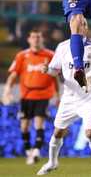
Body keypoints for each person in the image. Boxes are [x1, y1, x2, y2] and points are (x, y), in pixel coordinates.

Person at [37, 20, 91, 176]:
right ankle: (52, 162)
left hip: (90, 98)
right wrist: (46, 70)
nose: (84, 26)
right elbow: (54, 71)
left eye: (85, 24)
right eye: (81, 23)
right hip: (69, 97)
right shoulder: (62, 47)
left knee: (89, 133)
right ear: (72, 26)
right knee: (57, 132)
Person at [2, 29, 59, 165]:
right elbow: (13, 75)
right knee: (24, 126)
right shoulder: (22, 55)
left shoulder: (50, 55)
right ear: (29, 39)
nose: (36, 39)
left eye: (38, 37)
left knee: (39, 123)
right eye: (33, 37)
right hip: (26, 95)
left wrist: (58, 94)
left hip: (43, 95)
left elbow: (55, 76)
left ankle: (37, 151)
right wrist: (7, 90)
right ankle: (29, 151)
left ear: (42, 39)